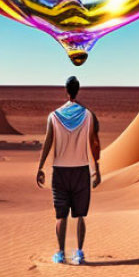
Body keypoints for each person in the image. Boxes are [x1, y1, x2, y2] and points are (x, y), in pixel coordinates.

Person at [36, 75, 101, 265]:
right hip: (81, 171)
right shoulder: (88, 115)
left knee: (60, 215)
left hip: (60, 172)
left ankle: (60, 253)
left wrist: (40, 167)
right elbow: (93, 143)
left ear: (66, 90)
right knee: (80, 215)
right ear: (78, 90)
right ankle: (79, 253)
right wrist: (96, 169)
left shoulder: (54, 116)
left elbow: (48, 142)